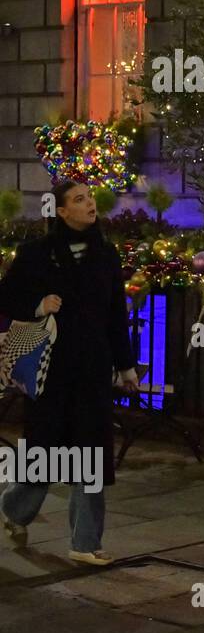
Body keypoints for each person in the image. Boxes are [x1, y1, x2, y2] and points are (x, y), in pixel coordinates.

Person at [0, 179, 140, 564]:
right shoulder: (37, 254)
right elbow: (6, 296)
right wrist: (38, 304)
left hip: (92, 369)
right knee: (44, 454)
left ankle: (85, 543)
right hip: (49, 371)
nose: (90, 204)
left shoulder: (106, 256)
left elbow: (116, 315)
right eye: (79, 199)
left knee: (91, 453)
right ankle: (13, 508)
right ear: (62, 211)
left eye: (90, 197)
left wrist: (125, 366)